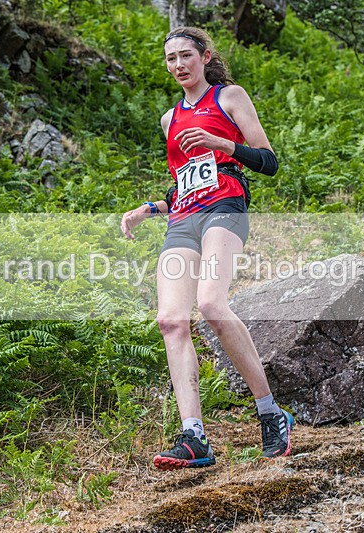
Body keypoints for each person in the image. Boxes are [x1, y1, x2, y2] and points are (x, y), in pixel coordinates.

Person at [119, 26, 293, 471]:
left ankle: (271, 414)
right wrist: (150, 208)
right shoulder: (169, 119)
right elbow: (183, 183)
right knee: (171, 320)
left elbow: (269, 162)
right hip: (184, 219)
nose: (178, 65)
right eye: (171, 59)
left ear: (204, 56)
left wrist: (223, 143)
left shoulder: (229, 97)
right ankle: (194, 438)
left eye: (186, 56)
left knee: (212, 304)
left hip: (226, 207)